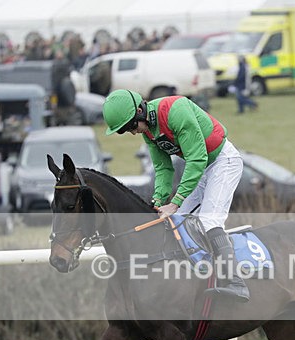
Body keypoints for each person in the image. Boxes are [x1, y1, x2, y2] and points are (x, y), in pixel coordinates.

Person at [102, 89, 250, 302]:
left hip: (223, 162)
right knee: (176, 222)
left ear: (140, 111)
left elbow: (197, 159)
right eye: (125, 131)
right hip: (201, 169)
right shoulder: (149, 132)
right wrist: (157, 200)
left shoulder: (176, 111)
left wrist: (176, 201)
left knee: (209, 222)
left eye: (131, 126)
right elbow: (163, 169)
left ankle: (236, 282)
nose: (132, 132)